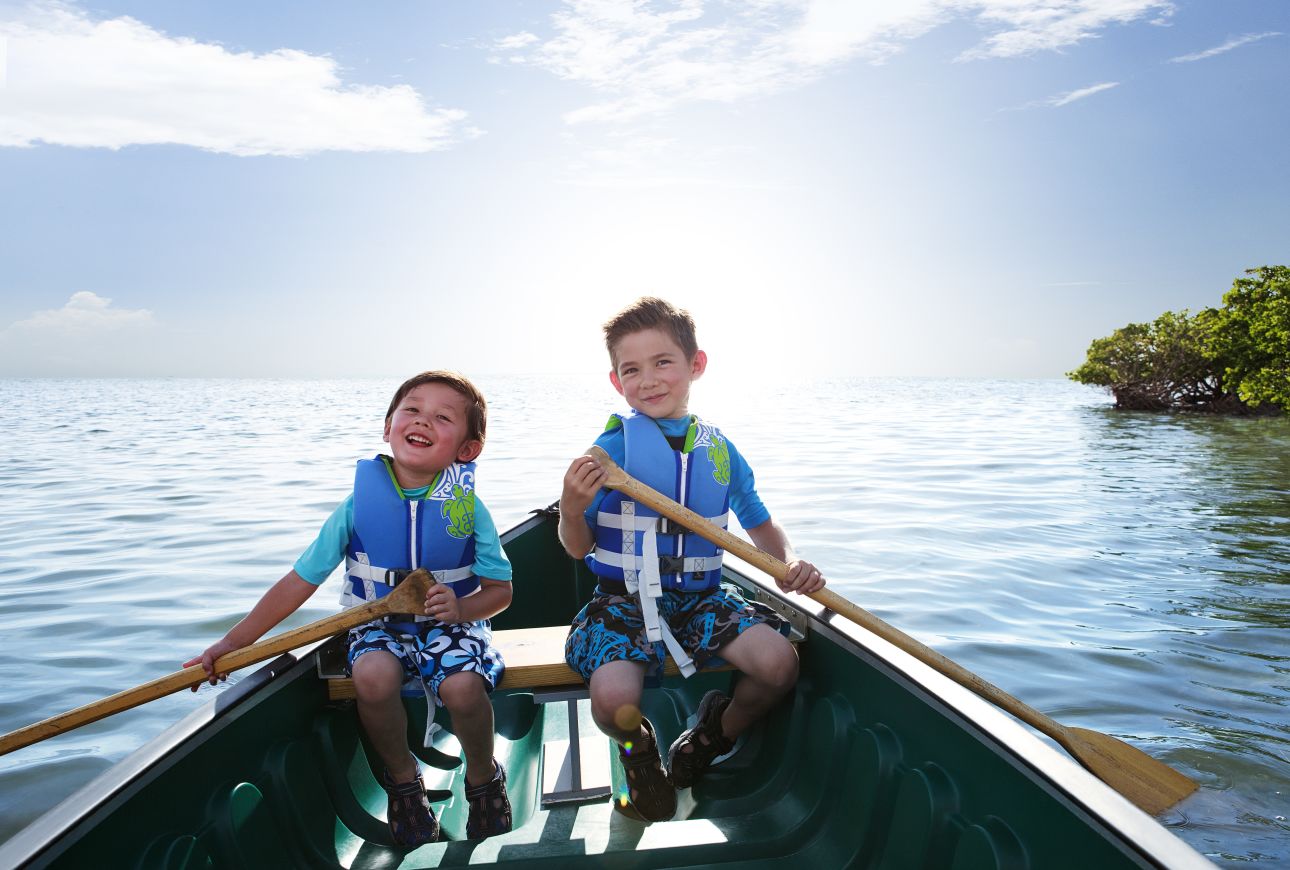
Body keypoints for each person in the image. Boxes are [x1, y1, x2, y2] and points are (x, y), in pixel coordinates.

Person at [185, 370, 514, 847]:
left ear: (467, 449)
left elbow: (501, 592)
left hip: (452, 626)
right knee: (372, 678)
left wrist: (462, 609)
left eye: (443, 417)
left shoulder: (470, 509)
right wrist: (234, 642)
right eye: (412, 410)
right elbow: (300, 580)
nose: (423, 420)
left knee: (463, 687)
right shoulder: (357, 507)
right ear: (388, 426)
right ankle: (404, 782)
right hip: (378, 625)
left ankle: (483, 777)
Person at [558, 297, 826, 823]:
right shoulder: (608, 451)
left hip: (702, 601)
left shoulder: (721, 451)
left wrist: (790, 562)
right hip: (621, 605)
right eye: (631, 369)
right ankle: (638, 755)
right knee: (613, 702)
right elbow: (575, 546)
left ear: (694, 366)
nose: (649, 380)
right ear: (616, 382)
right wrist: (570, 505)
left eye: (663, 363)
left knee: (778, 666)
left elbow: (760, 523)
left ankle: (711, 734)